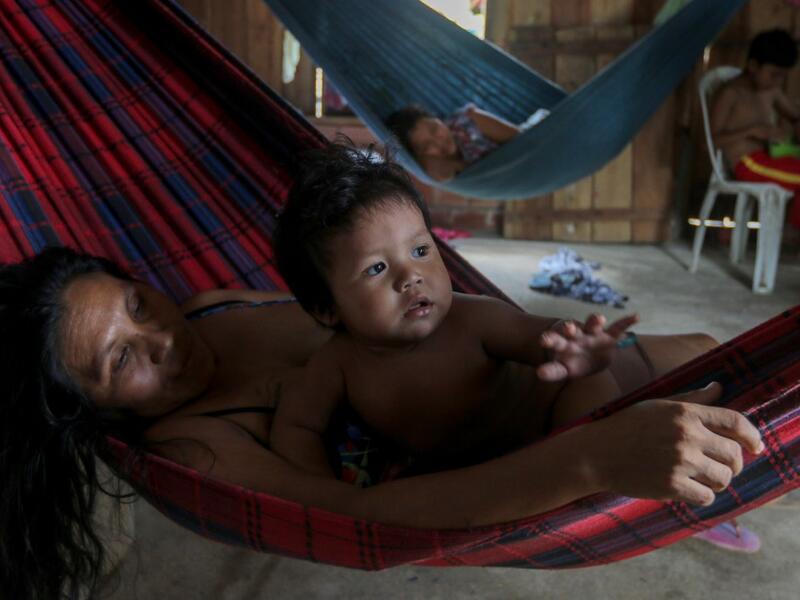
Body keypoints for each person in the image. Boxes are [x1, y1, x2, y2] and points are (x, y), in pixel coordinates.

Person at [0, 244, 763, 600]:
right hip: (543, 442)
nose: (162, 337)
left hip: (523, 369)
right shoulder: (198, 446)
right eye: (122, 358)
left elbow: (368, 316)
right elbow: (363, 520)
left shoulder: (208, 308)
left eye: (137, 303)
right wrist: (591, 460)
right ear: (93, 410)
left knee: (719, 360)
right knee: (745, 436)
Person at [271, 143, 648, 477]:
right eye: (376, 268)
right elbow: (297, 427)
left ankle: (584, 486)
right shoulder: (337, 364)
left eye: (420, 251)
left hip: (551, 425)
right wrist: (322, 494)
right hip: (474, 475)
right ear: (327, 308)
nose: (411, 276)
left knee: (586, 384)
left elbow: (543, 335)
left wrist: (574, 348)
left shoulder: (474, 319)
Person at [710, 28, 800, 227]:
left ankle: (792, 234)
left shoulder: (771, 91)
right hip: (747, 164)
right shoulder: (731, 93)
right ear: (753, 66)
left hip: (772, 159)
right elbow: (712, 140)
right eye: (773, 74)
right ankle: (793, 235)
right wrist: (752, 131)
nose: (778, 81)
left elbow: (795, 117)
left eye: (782, 76)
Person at [385, 103, 549, 181]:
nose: (438, 142)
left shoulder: (468, 120)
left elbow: (522, 139)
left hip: (541, 133)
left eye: (434, 129)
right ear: (419, 156)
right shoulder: (433, 166)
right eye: (427, 146)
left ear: (439, 120)